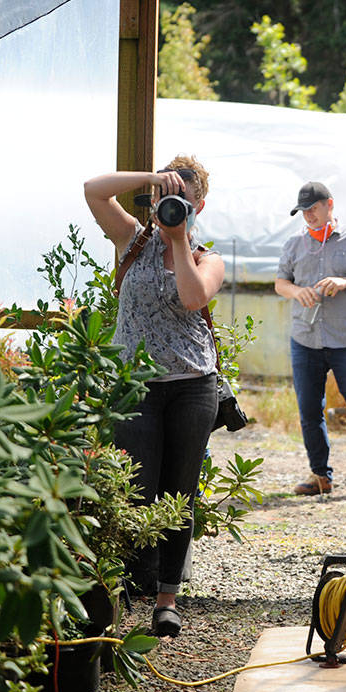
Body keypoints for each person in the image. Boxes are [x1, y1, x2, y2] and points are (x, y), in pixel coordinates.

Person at [83, 156, 225, 639]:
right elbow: (93, 189)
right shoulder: (131, 239)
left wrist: (178, 237)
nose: (171, 206)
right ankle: (118, 590)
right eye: (166, 197)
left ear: (199, 205)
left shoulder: (207, 259)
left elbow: (192, 298)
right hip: (135, 384)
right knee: (131, 488)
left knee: (178, 492)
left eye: (183, 199)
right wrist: (150, 179)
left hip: (192, 386)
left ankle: (167, 599)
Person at [275, 181, 346, 496]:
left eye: (313, 209)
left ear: (330, 204)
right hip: (305, 339)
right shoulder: (294, 244)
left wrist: (345, 282)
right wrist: (296, 291)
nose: (308, 215)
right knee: (309, 410)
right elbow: (280, 283)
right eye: (303, 211)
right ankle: (320, 476)